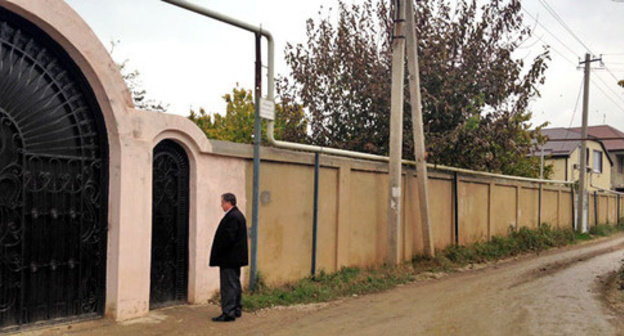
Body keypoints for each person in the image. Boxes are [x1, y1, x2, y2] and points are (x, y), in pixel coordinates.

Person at [210, 193, 248, 322]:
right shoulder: (237, 215)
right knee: (234, 284)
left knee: (228, 286)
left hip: (229, 258)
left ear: (228, 202)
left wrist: (219, 252)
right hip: (234, 258)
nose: (221, 205)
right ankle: (236, 309)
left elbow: (228, 238)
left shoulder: (232, 217)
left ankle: (228, 313)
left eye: (222, 202)